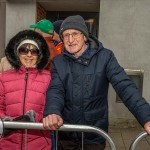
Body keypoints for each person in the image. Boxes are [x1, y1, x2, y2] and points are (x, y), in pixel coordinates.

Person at [43, 15, 150, 150]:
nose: (70, 40)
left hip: (94, 135)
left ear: (84, 36)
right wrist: (52, 111)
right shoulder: (58, 62)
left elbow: (125, 86)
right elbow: (55, 90)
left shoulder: (105, 57)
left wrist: (146, 116)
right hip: (66, 134)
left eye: (75, 34)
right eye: (66, 35)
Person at [0, 30, 52, 149]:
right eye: (24, 50)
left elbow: (51, 108)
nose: (29, 55)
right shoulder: (3, 78)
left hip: (39, 143)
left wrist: (34, 119)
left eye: (34, 51)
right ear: (17, 53)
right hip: (8, 143)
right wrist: (6, 122)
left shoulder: (49, 78)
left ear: (39, 55)